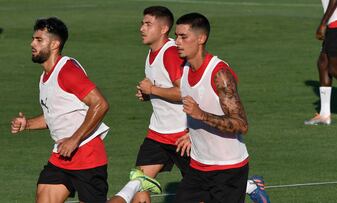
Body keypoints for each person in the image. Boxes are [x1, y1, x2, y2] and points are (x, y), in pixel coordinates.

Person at [10, 17, 110, 203]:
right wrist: (28, 123)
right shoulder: (46, 76)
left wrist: (74, 139)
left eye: (39, 40)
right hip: (61, 156)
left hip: (88, 157)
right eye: (33, 39)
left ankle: (131, 189)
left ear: (55, 44)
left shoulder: (67, 71)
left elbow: (100, 104)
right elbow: (55, 116)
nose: (32, 43)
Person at [173, 12, 270, 203]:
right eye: (176, 36)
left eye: (183, 37)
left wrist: (201, 115)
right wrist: (191, 133)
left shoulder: (219, 74)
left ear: (201, 38)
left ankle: (252, 186)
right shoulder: (184, 69)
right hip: (198, 167)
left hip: (228, 170)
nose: (177, 42)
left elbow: (241, 124)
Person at [108, 6, 191, 203]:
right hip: (158, 134)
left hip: (183, 135)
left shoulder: (170, 53)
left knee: (207, 189)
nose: (142, 28)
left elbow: (185, 92)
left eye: (148, 24)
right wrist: (149, 94)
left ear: (163, 29)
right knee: (139, 185)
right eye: (142, 23)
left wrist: (152, 90)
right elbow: (165, 88)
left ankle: (249, 185)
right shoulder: (152, 53)